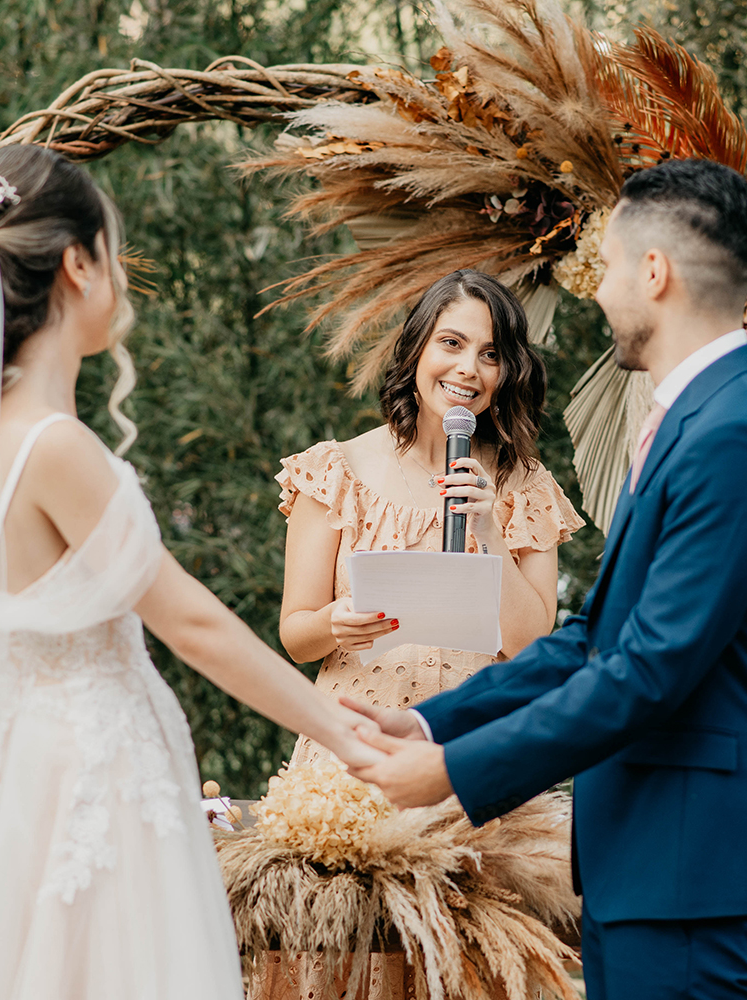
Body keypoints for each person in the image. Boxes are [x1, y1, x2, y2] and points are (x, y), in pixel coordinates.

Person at [0, 145, 381, 1000]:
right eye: (113, 254)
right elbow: (189, 621)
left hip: (14, 766)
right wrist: (343, 735)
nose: (119, 275)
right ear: (78, 264)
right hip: (94, 770)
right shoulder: (52, 446)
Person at [348, 159, 747, 1000]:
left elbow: (648, 673)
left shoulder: (737, 435)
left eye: (606, 269)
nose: (599, 293)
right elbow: (596, 641)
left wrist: (457, 773)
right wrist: (431, 725)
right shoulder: (697, 421)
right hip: (645, 861)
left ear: (654, 272)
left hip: (691, 868)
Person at [252, 269, 585, 999]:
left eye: (491, 354)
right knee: (352, 974)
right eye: (452, 343)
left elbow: (535, 648)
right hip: (356, 754)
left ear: (506, 374)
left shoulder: (525, 484)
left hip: (476, 761)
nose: (468, 368)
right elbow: (295, 633)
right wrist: (332, 622)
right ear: (416, 351)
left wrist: (490, 526)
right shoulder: (336, 470)